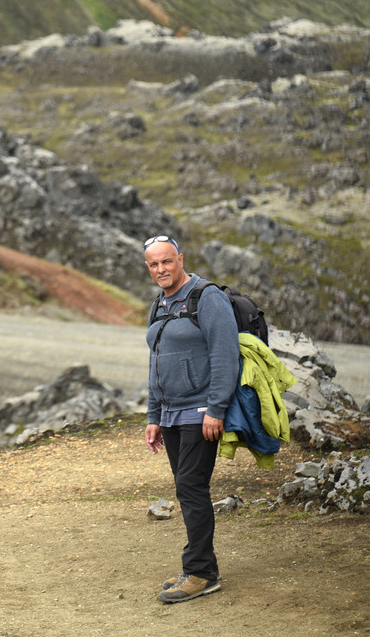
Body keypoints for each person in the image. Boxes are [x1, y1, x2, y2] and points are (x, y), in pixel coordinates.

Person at [142, 234, 239, 604]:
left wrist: (216, 408)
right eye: (153, 264)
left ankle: (201, 573)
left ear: (180, 258)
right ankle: (196, 567)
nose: (161, 269)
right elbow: (156, 362)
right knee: (188, 489)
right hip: (170, 413)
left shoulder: (206, 297)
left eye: (167, 261)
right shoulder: (160, 304)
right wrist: (153, 415)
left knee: (190, 488)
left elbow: (225, 355)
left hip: (200, 412)